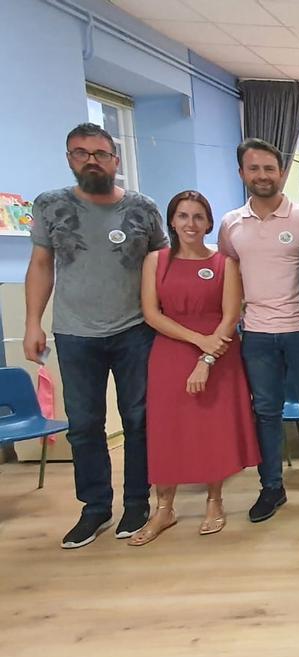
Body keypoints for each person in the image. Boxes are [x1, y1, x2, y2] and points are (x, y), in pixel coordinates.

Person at [26, 123, 166, 549]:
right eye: (81, 153)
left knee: (139, 421)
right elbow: (40, 265)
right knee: (85, 425)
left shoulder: (142, 208)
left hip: (135, 330)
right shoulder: (51, 206)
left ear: (115, 161)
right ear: (70, 159)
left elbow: (160, 266)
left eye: (101, 153)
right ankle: (95, 508)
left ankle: (137, 503)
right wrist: (33, 321)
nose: (92, 159)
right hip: (75, 332)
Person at [218, 138, 299, 521]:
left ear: (282, 173)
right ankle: (271, 488)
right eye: (254, 169)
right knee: (266, 411)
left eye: (269, 169)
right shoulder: (230, 224)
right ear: (242, 173)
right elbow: (228, 275)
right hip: (255, 333)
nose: (262, 175)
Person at [133, 190, 260, 545]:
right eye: (183, 216)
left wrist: (207, 355)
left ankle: (214, 501)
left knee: (212, 428)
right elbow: (151, 313)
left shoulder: (224, 263)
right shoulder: (155, 261)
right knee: (167, 429)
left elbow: (231, 315)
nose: (191, 224)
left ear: (208, 223)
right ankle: (164, 508)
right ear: (172, 221)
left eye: (198, 217)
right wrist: (196, 341)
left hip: (218, 353)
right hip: (171, 352)